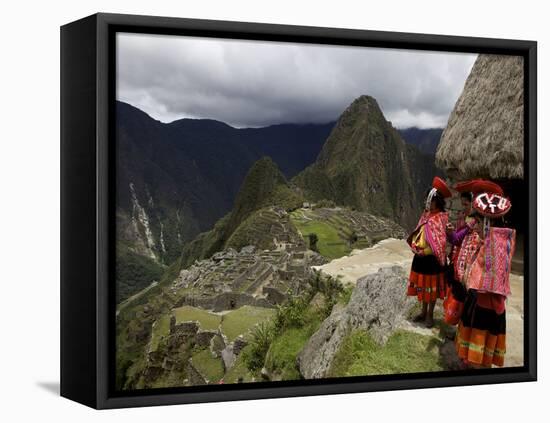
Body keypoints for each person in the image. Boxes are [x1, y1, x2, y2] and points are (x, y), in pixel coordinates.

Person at [454, 180, 515, 368]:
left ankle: (477, 368)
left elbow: (490, 277)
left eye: (479, 222)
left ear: (488, 223)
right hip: (479, 299)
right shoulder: (492, 241)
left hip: (486, 303)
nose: (476, 227)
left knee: (480, 339)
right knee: (475, 337)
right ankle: (472, 363)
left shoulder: (495, 245)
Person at [406, 176, 451, 328]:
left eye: (430, 200)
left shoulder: (440, 218)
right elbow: (419, 231)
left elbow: (440, 241)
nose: (428, 203)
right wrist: (415, 246)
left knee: (431, 289)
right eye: (427, 200)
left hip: (432, 260)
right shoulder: (426, 215)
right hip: (421, 258)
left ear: (437, 201)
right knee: (423, 287)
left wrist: (426, 251)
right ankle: (423, 312)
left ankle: (430, 315)